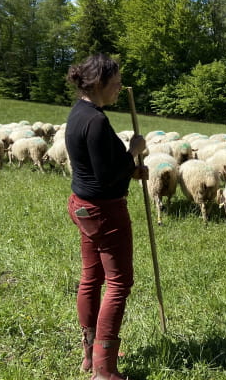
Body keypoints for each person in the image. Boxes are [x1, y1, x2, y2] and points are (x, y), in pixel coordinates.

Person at [65, 53, 147, 380]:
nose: (118, 88)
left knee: (91, 278)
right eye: (115, 83)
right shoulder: (96, 121)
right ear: (98, 83)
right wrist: (132, 152)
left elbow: (103, 168)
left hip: (83, 206)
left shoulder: (80, 112)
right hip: (104, 212)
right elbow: (106, 177)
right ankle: (104, 370)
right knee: (119, 283)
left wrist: (130, 169)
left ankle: (91, 354)